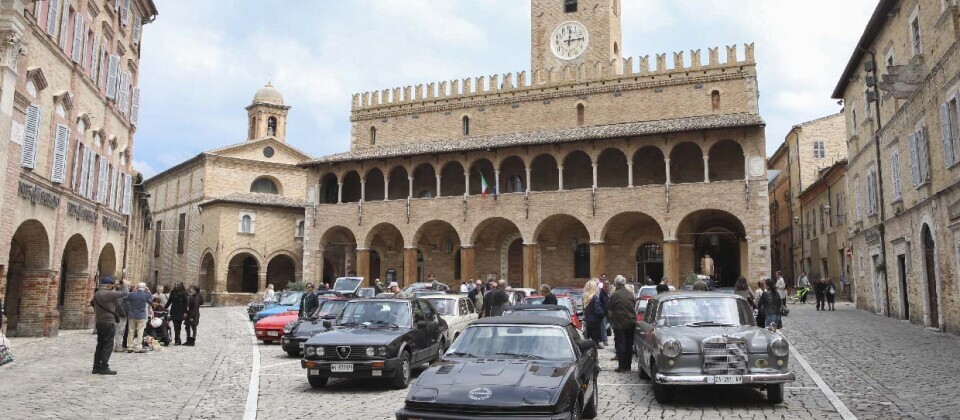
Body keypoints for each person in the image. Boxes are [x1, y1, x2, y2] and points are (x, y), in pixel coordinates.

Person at [91, 277, 128, 375]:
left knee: (100, 344)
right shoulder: (107, 294)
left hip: (99, 322)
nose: (112, 286)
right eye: (111, 284)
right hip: (108, 322)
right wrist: (125, 284)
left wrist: (115, 286)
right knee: (108, 344)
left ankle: (96, 367)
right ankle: (104, 367)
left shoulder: (97, 293)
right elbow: (125, 293)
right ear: (108, 285)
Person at [607, 276, 636, 372]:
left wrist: (611, 316)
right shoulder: (630, 294)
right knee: (629, 344)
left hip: (619, 323)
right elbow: (633, 306)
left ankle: (622, 366)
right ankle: (628, 366)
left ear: (616, 284)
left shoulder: (615, 295)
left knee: (620, 344)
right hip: (631, 322)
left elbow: (609, 307)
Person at [125, 283, 153, 353]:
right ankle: (138, 347)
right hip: (141, 315)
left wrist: (133, 291)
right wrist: (149, 292)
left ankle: (130, 346)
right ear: (145, 288)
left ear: (137, 287)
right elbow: (150, 302)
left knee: (131, 331)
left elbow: (125, 298)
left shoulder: (131, 294)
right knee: (140, 331)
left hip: (132, 315)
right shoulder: (146, 295)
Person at [582, 280, 604, 349]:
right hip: (595, 321)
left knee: (588, 337)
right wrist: (602, 315)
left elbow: (584, 309)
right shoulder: (595, 297)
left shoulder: (584, 297)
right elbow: (597, 310)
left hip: (588, 320)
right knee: (595, 338)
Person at [114, 284, 129, 352]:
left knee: (120, 331)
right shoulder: (120, 297)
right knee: (119, 331)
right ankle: (118, 346)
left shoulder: (121, 296)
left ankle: (118, 345)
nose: (128, 289)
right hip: (121, 316)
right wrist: (123, 314)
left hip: (123, 315)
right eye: (127, 288)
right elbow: (119, 305)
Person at [598, 280, 611, 347]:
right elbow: (599, 304)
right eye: (606, 286)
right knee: (603, 327)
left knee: (608, 327)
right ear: (603, 286)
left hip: (610, 313)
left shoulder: (609, 293)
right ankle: (604, 340)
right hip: (604, 313)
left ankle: (603, 339)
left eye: (608, 286)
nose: (607, 288)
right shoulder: (601, 294)